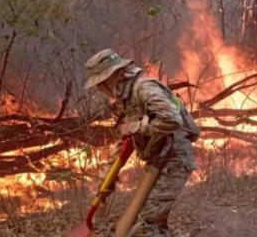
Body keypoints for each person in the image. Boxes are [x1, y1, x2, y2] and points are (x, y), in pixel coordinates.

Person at [84, 49, 200, 237]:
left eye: (100, 83)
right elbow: (123, 145)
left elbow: (173, 120)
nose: (99, 89)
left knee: (147, 225)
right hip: (158, 161)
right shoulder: (125, 100)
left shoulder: (145, 88)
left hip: (175, 160)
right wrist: (105, 187)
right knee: (153, 222)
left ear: (114, 75)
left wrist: (137, 127)